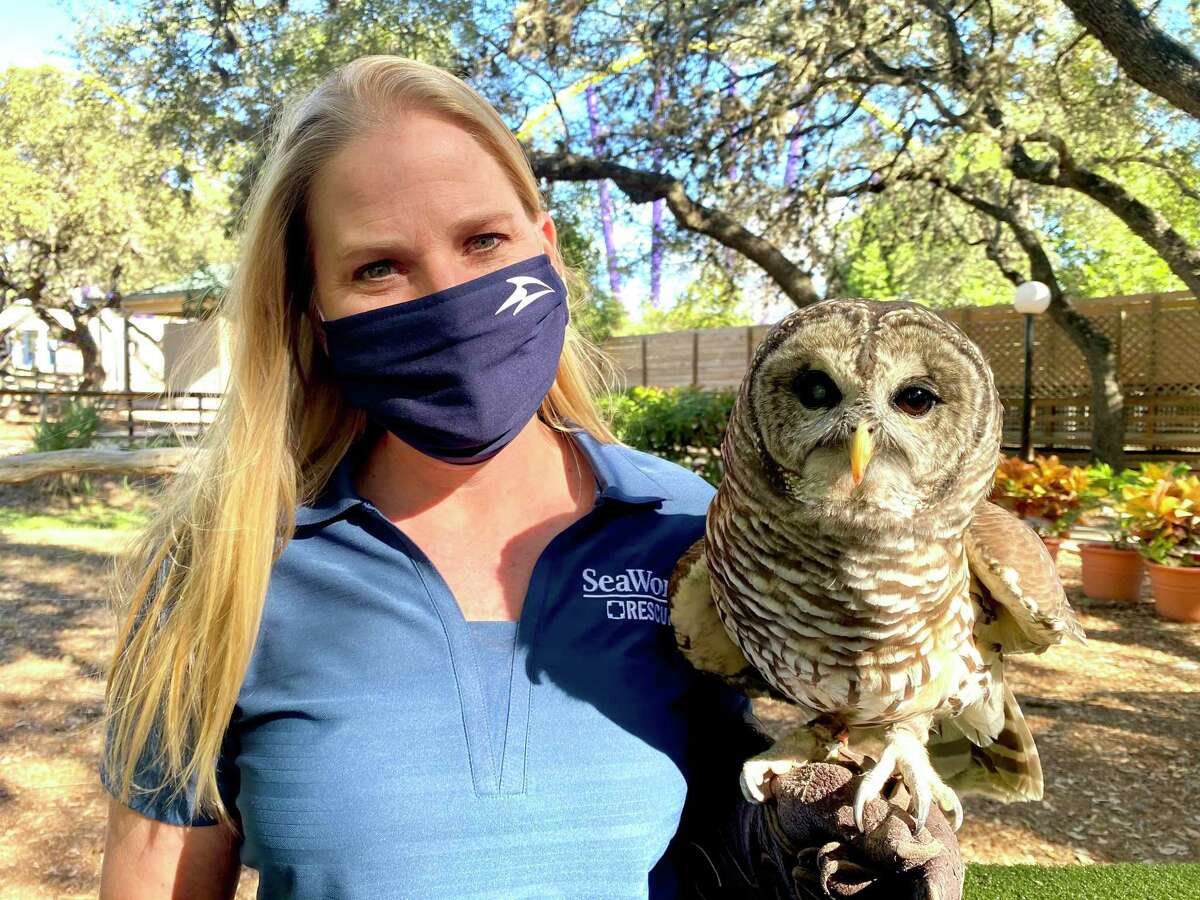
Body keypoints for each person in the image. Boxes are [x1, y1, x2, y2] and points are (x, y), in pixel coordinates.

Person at [97, 55, 960, 899]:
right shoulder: (224, 567)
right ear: (313, 312)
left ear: (544, 250)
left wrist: (832, 811)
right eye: (376, 267)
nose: (447, 297)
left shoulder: (693, 532)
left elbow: (745, 807)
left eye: (483, 241)